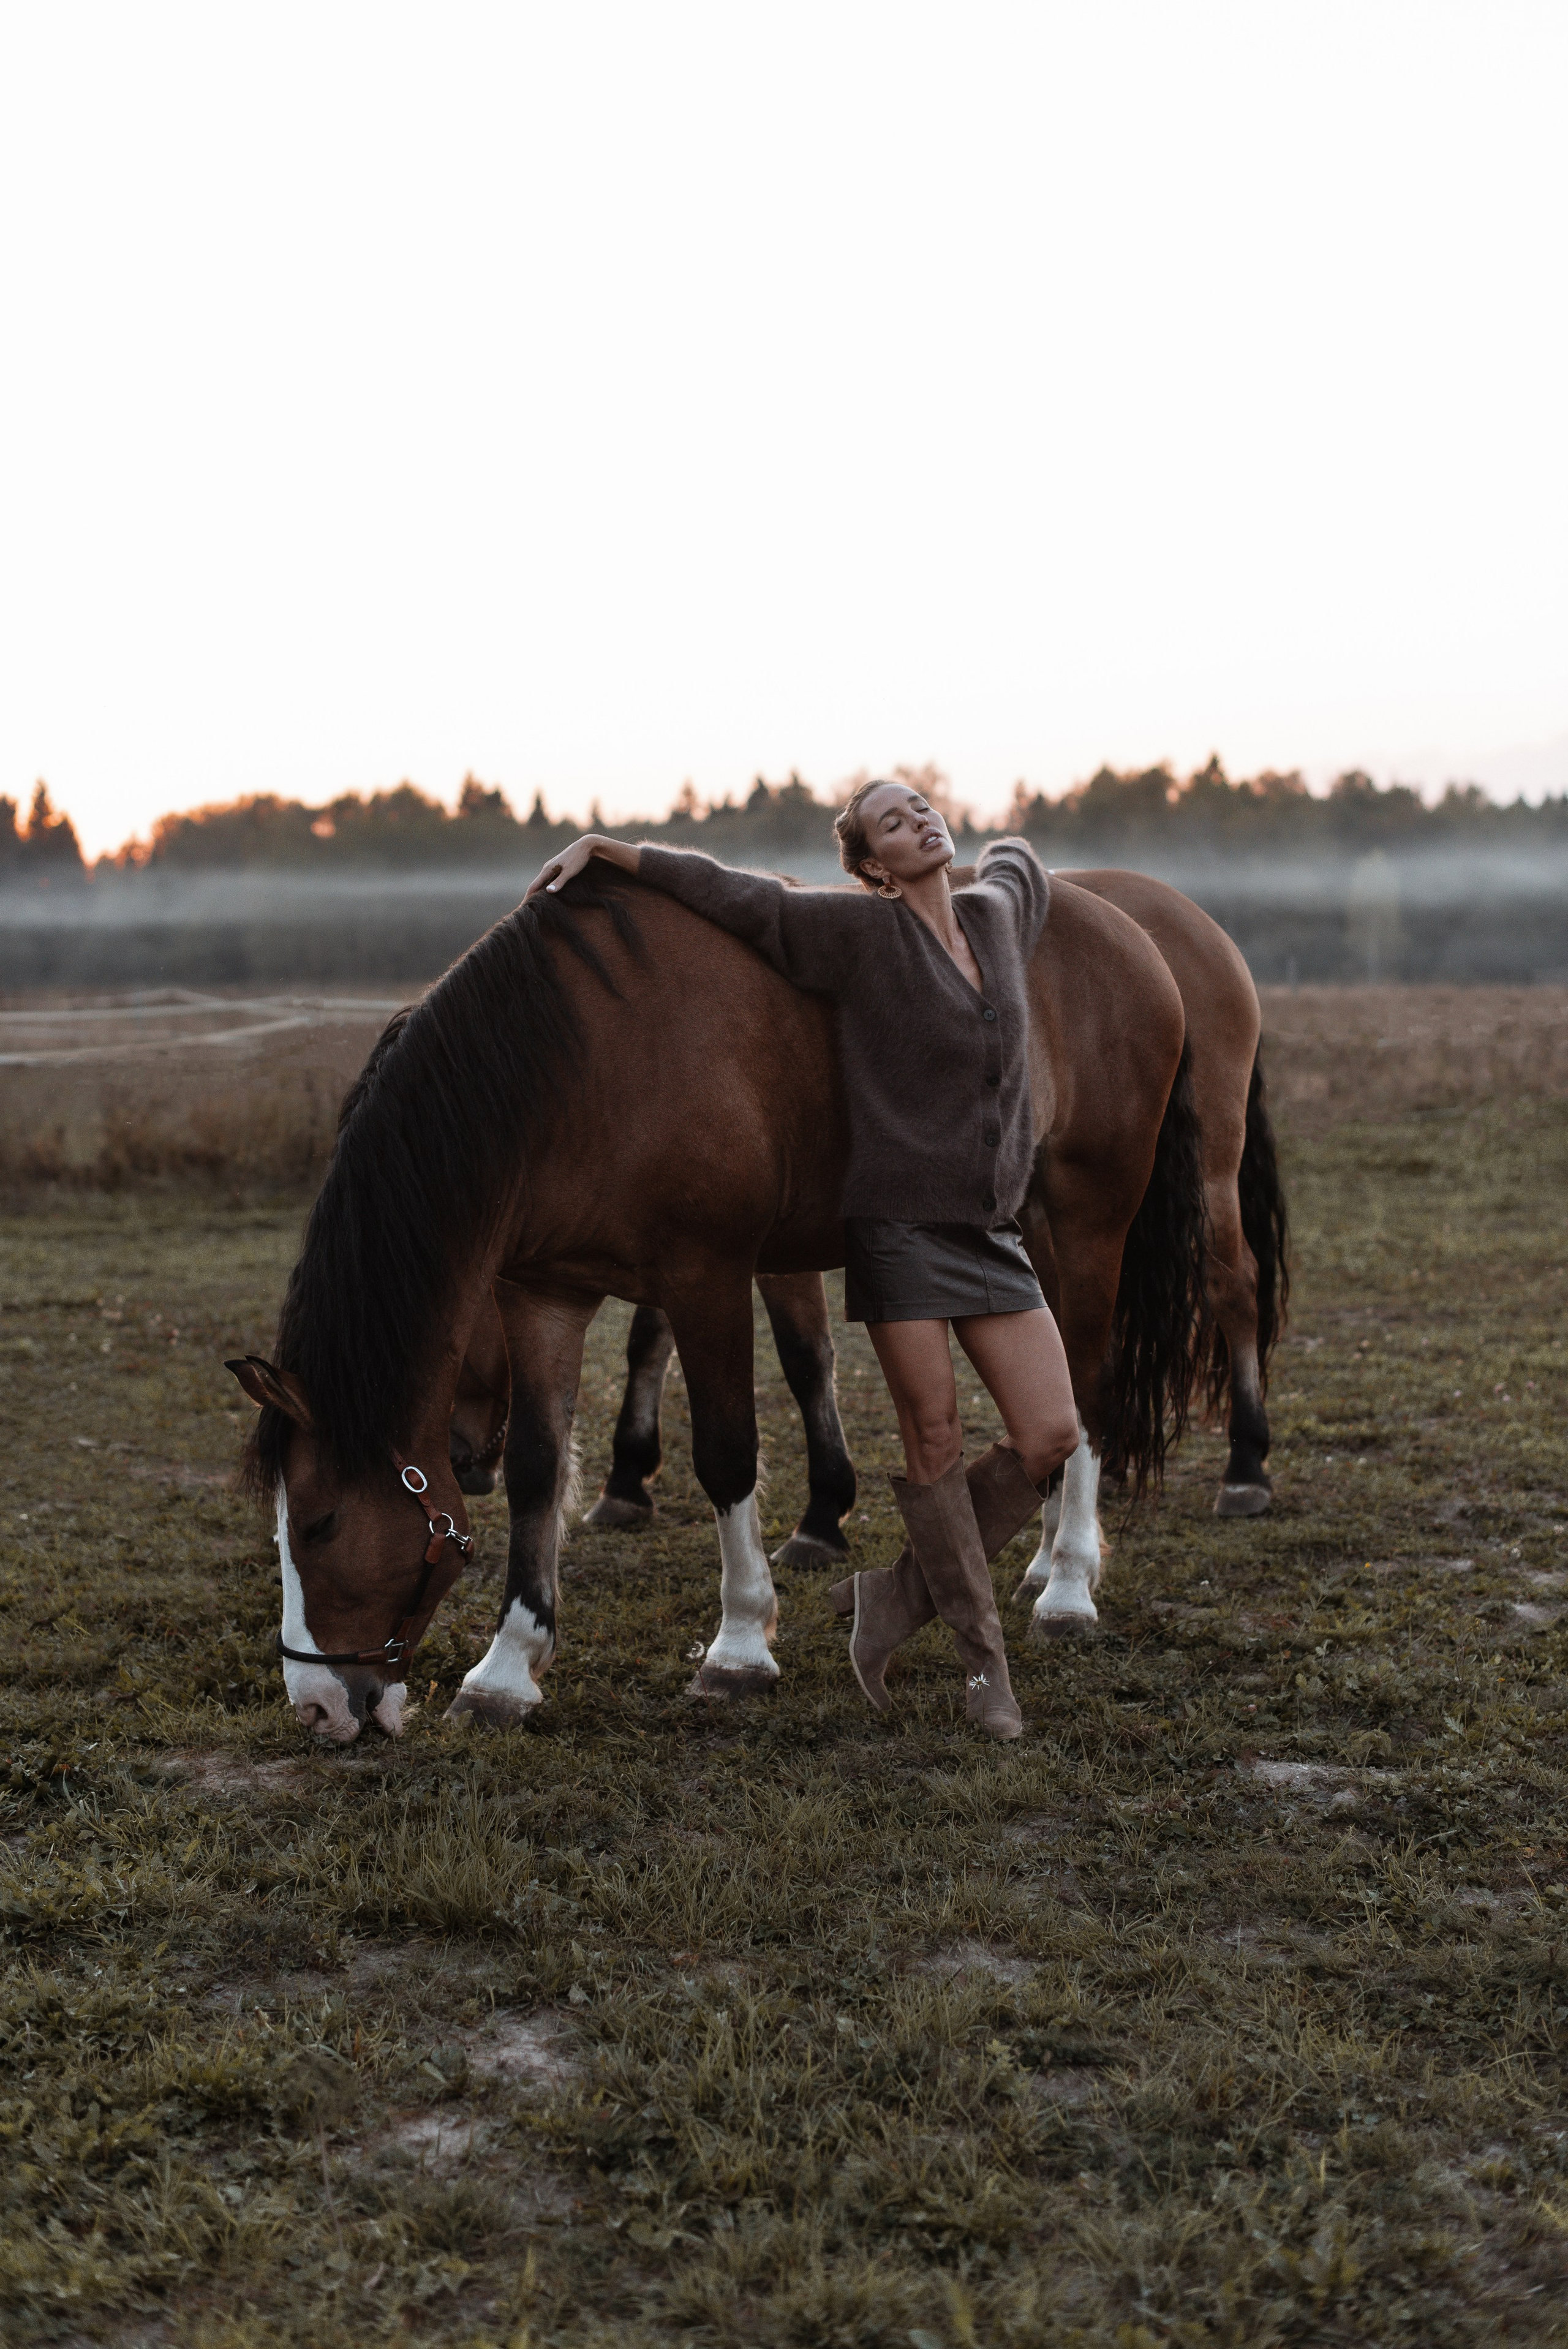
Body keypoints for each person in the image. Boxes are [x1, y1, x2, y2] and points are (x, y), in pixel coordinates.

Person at [526, 780, 1080, 1738]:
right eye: (893, 824)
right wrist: (616, 851)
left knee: (1051, 1435)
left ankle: (900, 1598)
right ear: (871, 866)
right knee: (935, 1445)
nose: (920, 822)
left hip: (991, 1231)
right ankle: (985, 1669)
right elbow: (745, 898)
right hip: (900, 1231)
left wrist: (1012, 851)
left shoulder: (997, 914)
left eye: (922, 807)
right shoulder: (858, 936)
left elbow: (1023, 859)